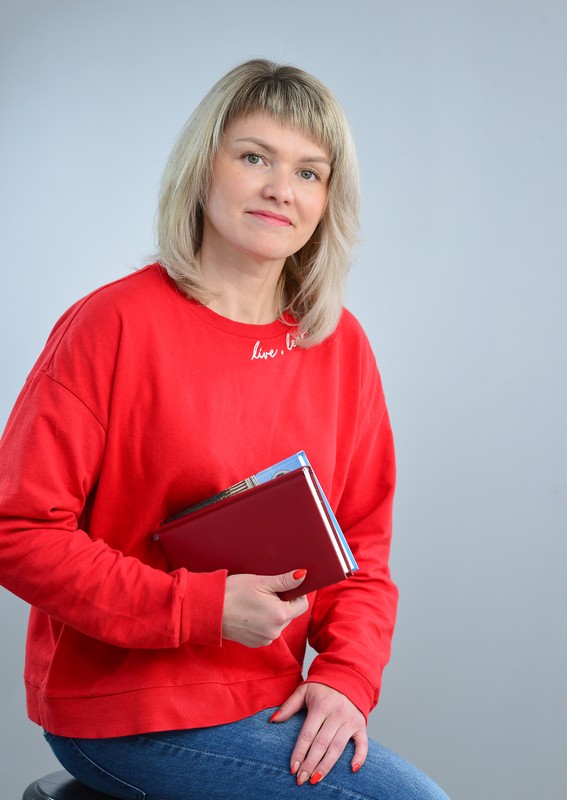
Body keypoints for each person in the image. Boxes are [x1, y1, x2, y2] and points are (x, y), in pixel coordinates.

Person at [0, 59, 449, 799]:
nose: (281, 189)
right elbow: (18, 530)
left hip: (265, 700)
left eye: (309, 172)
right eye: (254, 157)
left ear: (327, 200)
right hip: (123, 710)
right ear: (202, 168)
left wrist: (346, 676)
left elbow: (361, 551)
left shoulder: (340, 346)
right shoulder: (111, 325)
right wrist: (199, 610)